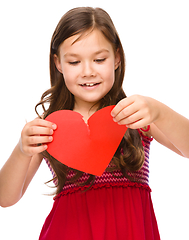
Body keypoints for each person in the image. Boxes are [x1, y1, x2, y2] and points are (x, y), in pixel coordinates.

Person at [0, 7, 189, 240]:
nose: (88, 71)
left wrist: (160, 112)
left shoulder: (135, 116)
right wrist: (21, 150)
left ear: (117, 57)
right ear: (58, 64)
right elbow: (6, 198)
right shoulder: (49, 127)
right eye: (74, 62)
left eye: (99, 59)